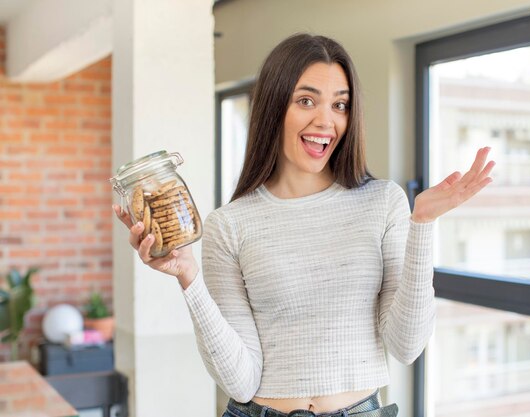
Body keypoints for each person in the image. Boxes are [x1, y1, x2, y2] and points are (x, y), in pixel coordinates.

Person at [113, 33, 494, 417]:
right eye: (306, 100)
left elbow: (406, 345)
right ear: (274, 107)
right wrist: (188, 278)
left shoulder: (383, 201)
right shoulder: (229, 224)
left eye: (340, 105)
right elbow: (241, 380)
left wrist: (423, 225)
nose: (325, 121)